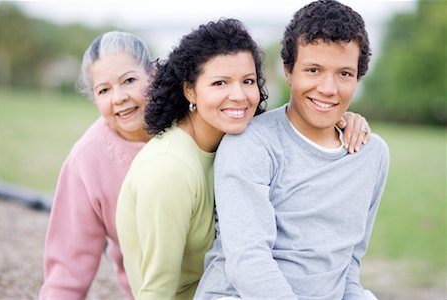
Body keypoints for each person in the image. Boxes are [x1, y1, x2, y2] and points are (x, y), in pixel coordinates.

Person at [116, 17, 372, 300]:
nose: (239, 96)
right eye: (220, 83)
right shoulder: (169, 169)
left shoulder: (229, 140)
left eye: (248, 81)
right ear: (190, 89)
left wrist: (343, 118)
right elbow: (155, 290)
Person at [194, 1, 390, 300]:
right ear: (288, 71)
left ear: (358, 77)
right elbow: (248, 262)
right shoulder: (251, 144)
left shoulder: (371, 154)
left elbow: (349, 262)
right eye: (313, 70)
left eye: (344, 74)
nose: (328, 88)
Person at [39, 31, 155, 300]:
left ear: (154, 75)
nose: (119, 97)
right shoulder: (86, 160)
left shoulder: (190, 121)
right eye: (104, 90)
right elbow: (68, 266)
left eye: (129, 80)